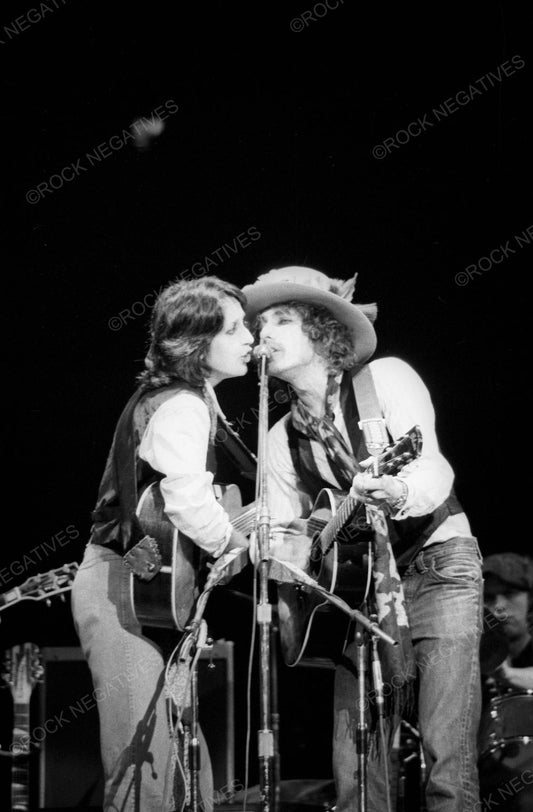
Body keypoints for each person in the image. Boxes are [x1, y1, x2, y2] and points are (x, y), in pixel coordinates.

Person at [243, 266, 483, 812]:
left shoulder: (386, 379)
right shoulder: (281, 439)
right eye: (261, 325)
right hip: (357, 594)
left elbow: (434, 470)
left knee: (447, 757)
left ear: (322, 330)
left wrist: (394, 489)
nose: (264, 335)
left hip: (438, 566)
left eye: (281, 320)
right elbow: (287, 536)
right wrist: (279, 550)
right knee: (354, 772)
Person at [71, 277, 254, 812]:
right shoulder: (183, 406)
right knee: (142, 771)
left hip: (149, 595)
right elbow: (186, 502)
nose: (250, 338)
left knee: (179, 768)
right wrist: (233, 541)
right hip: (124, 591)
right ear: (198, 340)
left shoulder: (188, 400)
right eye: (235, 327)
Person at [478, 552, 533, 811]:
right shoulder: (470, 661)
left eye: (509, 594)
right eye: (489, 598)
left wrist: (507, 675)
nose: (499, 606)